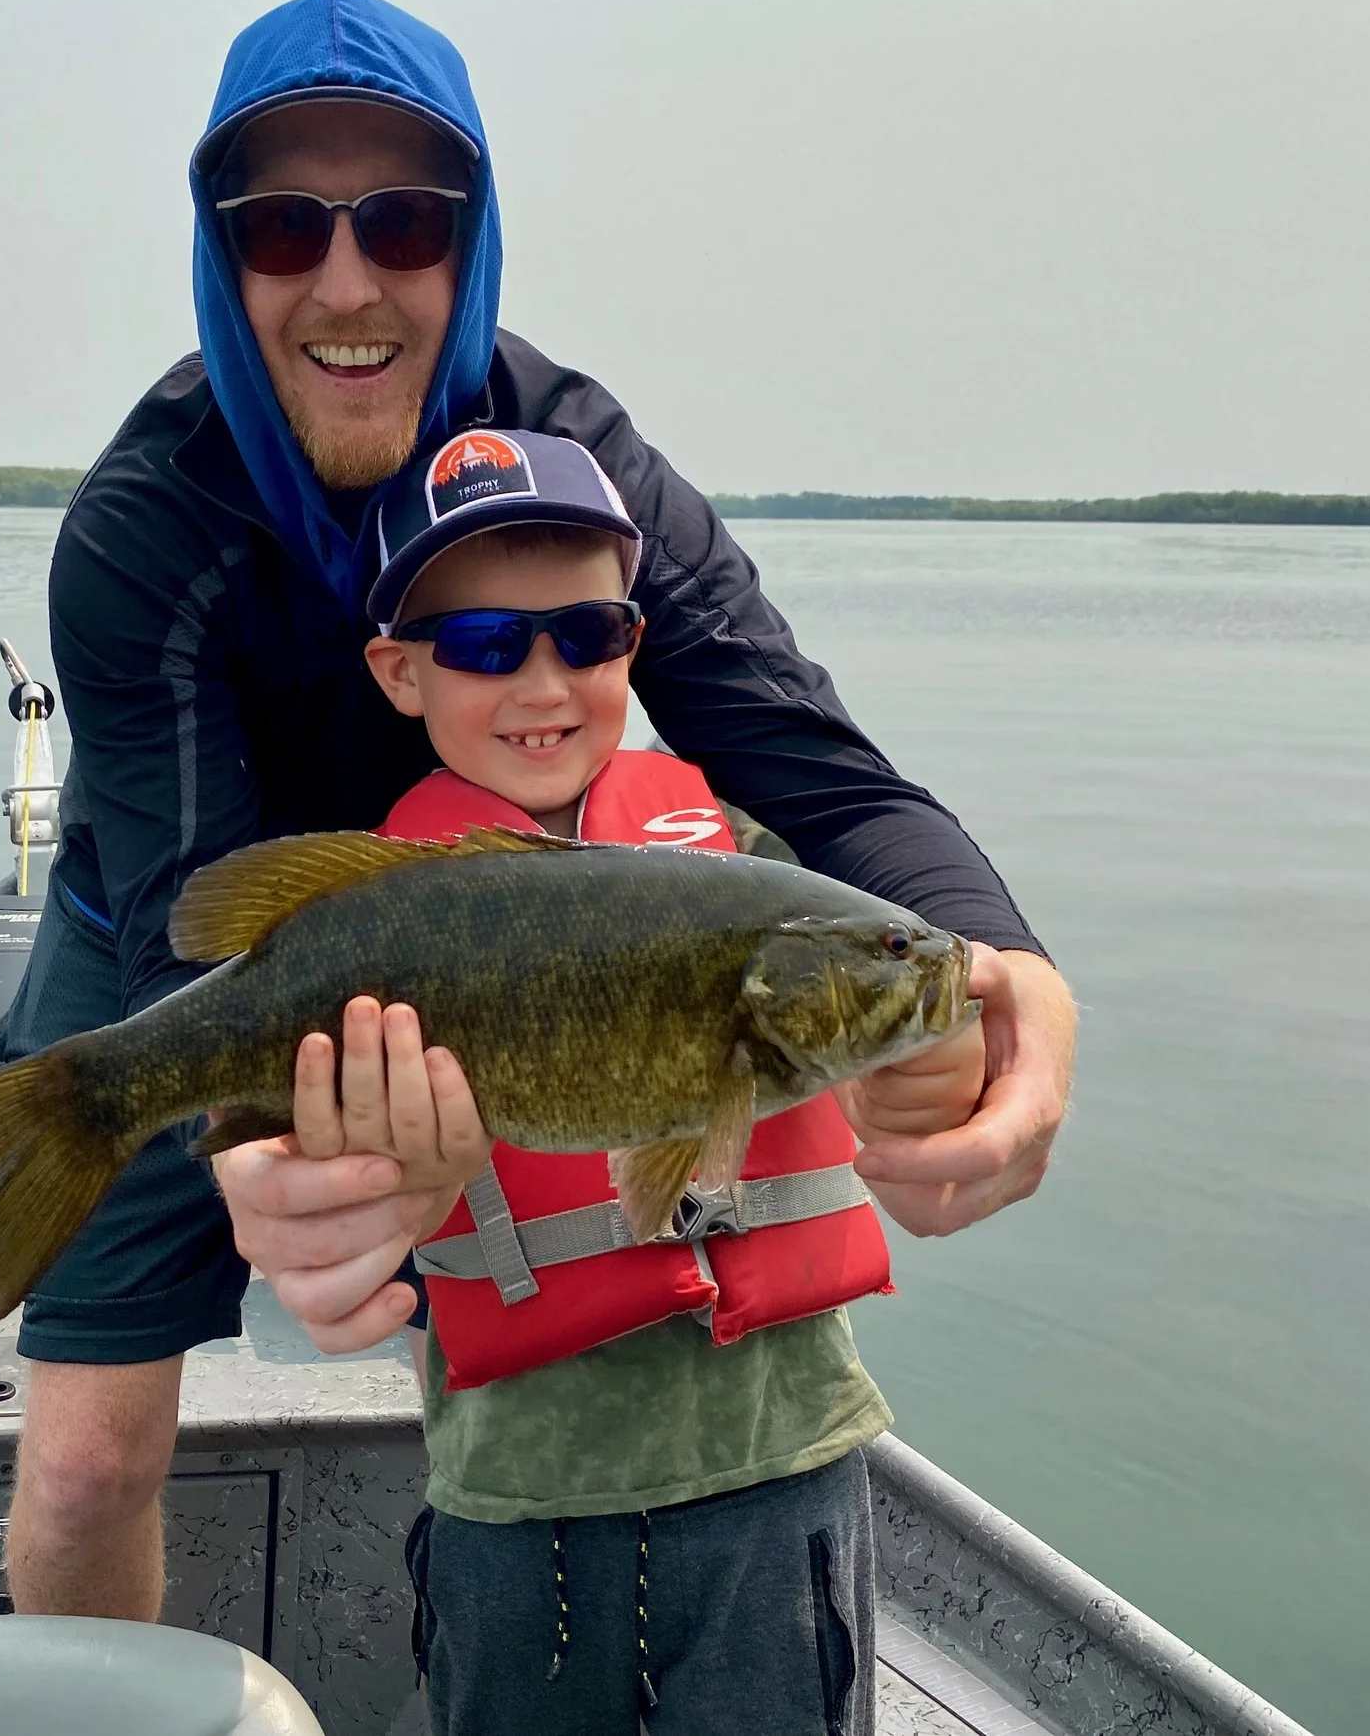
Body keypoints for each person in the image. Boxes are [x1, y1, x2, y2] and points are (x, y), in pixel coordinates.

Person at [0, 0, 1077, 1627]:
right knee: (80, 1465)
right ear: (224, 254)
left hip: (509, 942)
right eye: (286, 226)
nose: (348, 280)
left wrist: (1015, 970)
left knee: (499, 1283)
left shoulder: (584, 465)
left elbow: (820, 773)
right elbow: (189, 919)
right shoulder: (144, 527)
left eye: (408, 221)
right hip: (177, 941)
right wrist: (267, 1155)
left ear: (470, 240)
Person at [258, 427, 952, 1733]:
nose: (542, 677)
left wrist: (947, 1062)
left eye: (588, 634)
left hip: (778, 1471)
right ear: (400, 672)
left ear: (638, 643)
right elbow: (319, 1207)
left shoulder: (745, 853)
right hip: (523, 1505)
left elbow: (897, 1068)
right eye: (481, 646)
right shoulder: (387, 902)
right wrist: (352, 1180)